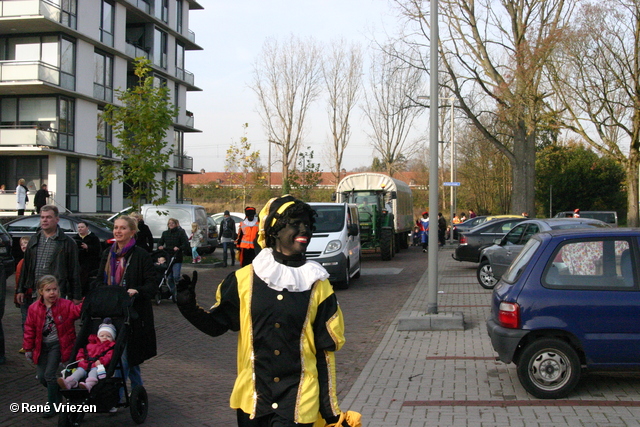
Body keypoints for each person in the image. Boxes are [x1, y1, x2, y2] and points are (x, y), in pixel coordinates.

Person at [176, 195, 361, 427]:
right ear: (274, 230)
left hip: (299, 398)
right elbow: (216, 326)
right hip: (254, 399)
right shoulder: (243, 280)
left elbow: (325, 353)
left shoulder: (318, 285)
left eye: (308, 224)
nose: (305, 229)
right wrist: (187, 306)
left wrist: (331, 412)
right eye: (295, 223)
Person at [94, 215, 157, 393]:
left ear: (132, 232)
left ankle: (118, 395)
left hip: (132, 314)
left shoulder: (141, 255)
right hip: (110, 312)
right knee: (121, 356)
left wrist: (137, 290)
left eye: (122, 228)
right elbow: (99, 279)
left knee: (125, 356)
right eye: (116, 228)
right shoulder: (108, 254)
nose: (118, 231)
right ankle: (137, 391)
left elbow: (151, 284)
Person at [23, 275, 82, 418]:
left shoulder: (65, 305)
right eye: (48, 290)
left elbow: (77, 311)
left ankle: (52, 405)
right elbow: (29, 328)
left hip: (58, 345)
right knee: (42, 376)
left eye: (55, 289)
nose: (52, 293)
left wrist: (88, 301)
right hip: (42, 346)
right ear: (40, 291)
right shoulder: (33, 308)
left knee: (50, 374)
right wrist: (28, 348)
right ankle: (58, 394)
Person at [16, 205, 82, 325]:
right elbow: (26, 267)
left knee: (55, 330)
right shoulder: (34, 240)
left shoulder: (67, 242)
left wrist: (76, 295)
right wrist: (20, 289)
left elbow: (74, 271)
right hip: (35, 293)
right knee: (33, 328)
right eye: (42, 217)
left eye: (48, 217)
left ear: (57, 220)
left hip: (56, 293)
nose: (45, 220)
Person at [57, 318, 116, 391]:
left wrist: (101, 362)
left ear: (112, 339)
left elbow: (108, 357)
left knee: (93, 373)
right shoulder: (90, 344)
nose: (105, 338)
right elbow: (82, 351)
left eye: (108, 336)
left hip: (97, 366)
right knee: (78, 372)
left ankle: (89, 385)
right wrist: (80, 358)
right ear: (98, 336)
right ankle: (68, 382)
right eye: (102, 335)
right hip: (85, 363)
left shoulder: (110, 348)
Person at [158, 217, 189, 299]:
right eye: (169, 223)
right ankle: (173, 292)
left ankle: (180, 291)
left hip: (177, 257)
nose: (170, 225)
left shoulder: (181, 233)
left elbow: (185, 243)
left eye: (172, 223)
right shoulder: (165, 233)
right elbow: (160, 242)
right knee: (169, 277)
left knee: (176, 276)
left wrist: (179, 248)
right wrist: (160, 246)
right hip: (168, 257)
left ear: (176, 224)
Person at [74, 220, 102, 297]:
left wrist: (88, 247)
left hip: (90, 263)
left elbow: (98, 251)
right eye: (79, 227)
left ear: (87, 228)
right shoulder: (75, 238)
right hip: (79, 263)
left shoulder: (93, 238)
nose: (80, 229)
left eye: (82, 227)